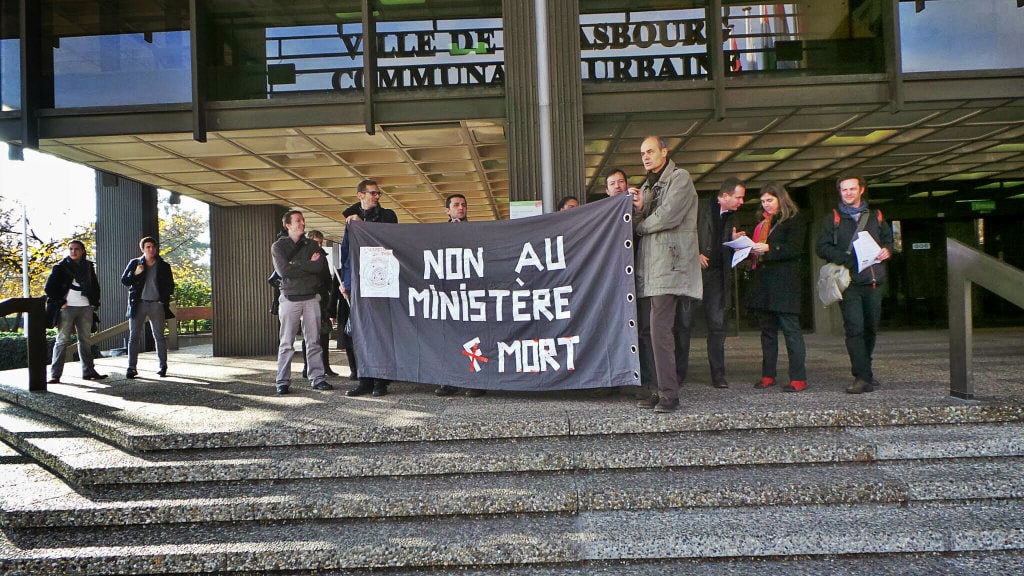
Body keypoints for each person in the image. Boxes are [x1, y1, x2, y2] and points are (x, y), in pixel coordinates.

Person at [631, 136, 702, 413]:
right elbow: (642, 220)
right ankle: (658, 389)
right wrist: (639, 210)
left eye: (650, 151)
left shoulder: (680, 178)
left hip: (668, 267)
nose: (646, 157)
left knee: (660, 331)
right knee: (650, 331)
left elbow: (668, 216)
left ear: (664, 151)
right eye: (642, 153)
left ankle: (669, 395)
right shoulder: (649, 185)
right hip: (651, 268)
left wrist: (641, 224)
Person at [815, 175, 893, 394]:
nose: (847, 193)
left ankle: (865, 371)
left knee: (870, 329)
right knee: (854, 329)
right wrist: (845, 258)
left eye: (851, 189)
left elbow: (888, 241)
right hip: (849, 282)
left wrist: (888, 250)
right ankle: (861, 376)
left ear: (861, 190)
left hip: (874, 280)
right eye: (843, 190)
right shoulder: (833, 218)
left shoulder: (876, 216)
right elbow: (821, 247)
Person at [685, 177, 747, 389]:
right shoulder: (700, 207)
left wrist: (735, 241)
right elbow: (683, 233)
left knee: (718, 326)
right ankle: (678, 374)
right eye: (738, 197)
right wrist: (695, 254)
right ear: (726, 196)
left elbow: (722, 243)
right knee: (684, 325)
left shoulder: (731, 217)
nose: (741, 202)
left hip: (718, 278)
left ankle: (718, 375)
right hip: (694, 275)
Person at [748, 182, 809, 393]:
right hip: (764, 283)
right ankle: (768, 375)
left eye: (770, 201)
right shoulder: (763, 222)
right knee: (767, 331)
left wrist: (769, 248)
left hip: (785, 283)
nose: (766, 205)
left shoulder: (795, 219)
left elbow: (794, 248)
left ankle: (798, 378)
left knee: (791, 331)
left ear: (781, 199)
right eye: (763, 201)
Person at [341, 180, 399, 397]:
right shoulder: (350, 223)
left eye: (378, 193)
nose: (376, 197)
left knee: (381, 332)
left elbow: (391, 238)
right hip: (359, 283)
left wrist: (362, 224)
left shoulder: (388, 216)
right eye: (372, 193)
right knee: (361, 332)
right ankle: (364, 378)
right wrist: (346, 283)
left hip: (383, 283)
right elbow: (347, 255)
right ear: (360, 195)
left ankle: (381, 380)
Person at [271, 211, 334, 395]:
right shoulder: (278, 247)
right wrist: (306, 263)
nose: (302, 223)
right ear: (288, 225)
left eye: (303, 220)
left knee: (314, 341)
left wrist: (295, 264)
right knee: (286, 343)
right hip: (290, 298)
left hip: (311, 297)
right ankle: (282, 381)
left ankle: (318, 378)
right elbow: (284, 271)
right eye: (298, 220)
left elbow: (318, 267)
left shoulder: (312, 244)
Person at [435, 194, 487, 398]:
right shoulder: (439, 234)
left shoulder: (476, 232)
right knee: (448, 339)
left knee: (473, 339)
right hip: (448, 296)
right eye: (456, 205)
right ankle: (449, 380)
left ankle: (475, 381)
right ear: (447, 210)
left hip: (471, 294)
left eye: (464, 205)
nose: (461, 208)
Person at [44, 240, 107, 383]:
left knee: (85, 340)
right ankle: (55, 375)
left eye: (76, 249)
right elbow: (49, 288)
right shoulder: (60, 267)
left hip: (85, 307)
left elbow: (95, 286)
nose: (73, 251)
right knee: (62, 340)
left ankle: (89, 371)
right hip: (67, 307)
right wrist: (61, 303)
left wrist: (94, 304)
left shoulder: (88, 266)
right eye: (71, 249)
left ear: (82, 250)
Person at [121, 236, 175, 379]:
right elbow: (125, 280)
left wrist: (162, 300)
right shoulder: (135, 263)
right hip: (138, 304)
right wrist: (136, 273)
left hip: (156, 304)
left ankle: (163, 366)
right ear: (143, 249)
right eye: (148, 247)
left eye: (153, 247)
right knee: (134, 337)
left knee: (159, 336)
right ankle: (131, 367)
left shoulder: (163, 265)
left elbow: (170, 286)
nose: (151, 250)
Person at [301, 230, 339, 378]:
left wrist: (331, 299)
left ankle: (325, 366)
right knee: (308, 336)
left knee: (324, 335)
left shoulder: (322, 257)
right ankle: (307, 367)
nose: (319, 245)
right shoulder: (304, 256)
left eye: (321, 242)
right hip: (308, 298)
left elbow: (328, 280)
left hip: (321, 300)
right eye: (317, 242)